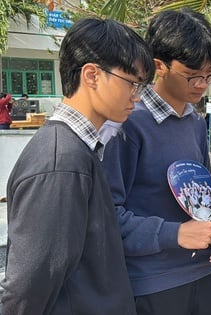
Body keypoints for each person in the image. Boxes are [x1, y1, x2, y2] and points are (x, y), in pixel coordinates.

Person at [1, 17, 154, 314]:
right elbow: (28, 285)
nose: (137, 97)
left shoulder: (77, 150)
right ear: (92, 75)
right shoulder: (61, 162)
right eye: (132, 83)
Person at [100, 9, 211, 315]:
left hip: (207, 272)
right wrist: (174, 234)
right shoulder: (128, 124)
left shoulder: (196, 122)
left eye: (209, 74)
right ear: (159, 66)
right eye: (193, 75)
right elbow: (108, 217)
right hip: (154, 283)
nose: (203, 84)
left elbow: (202, 201)